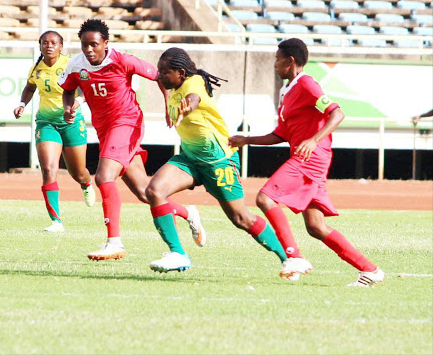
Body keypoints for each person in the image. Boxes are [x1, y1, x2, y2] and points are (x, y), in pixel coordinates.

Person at [229, 38, 384, 287]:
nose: (274, 64)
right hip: (305, 156)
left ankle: (294, 257)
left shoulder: (307, 84)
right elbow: (280, 134)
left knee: (265, 198)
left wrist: (313, 139)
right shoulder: (287, 90)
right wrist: (245, 140)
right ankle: (370, 270)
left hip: (311, 157)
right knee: (315, 226)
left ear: (290, 61)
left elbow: (337, 113)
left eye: (277, 59)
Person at [58, 20, 200, 261]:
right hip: (105, 129)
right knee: (145, 193)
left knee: (104, 177)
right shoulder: (76, 65)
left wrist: (168, 104)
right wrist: (68, 107)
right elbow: (68, 88)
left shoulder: (123, 60)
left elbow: (158, 76)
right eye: (84, 45)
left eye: (94, 44)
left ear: (106, 43)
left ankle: (114, 242)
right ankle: (189, 213)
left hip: (127, 122)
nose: (89, 50)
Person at [145, 47, 288, 273]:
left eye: (164, 72)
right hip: (190, 158)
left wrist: (187, 107)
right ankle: (178, 254)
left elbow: (193, 98)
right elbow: (167, 89)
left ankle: (289, 257)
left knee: (242, 219)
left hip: (218, 160)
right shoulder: (172, 84)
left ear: (181, 73)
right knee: (154, 191)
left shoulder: (193, 83)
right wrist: (167, 105)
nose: (159, 76)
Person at [14, 30, 95, 233]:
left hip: (71, 122)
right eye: (45, 43)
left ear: (61, 46)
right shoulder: (36, 68)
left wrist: (75, 105)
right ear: (40, 46)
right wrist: (22, 103)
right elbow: (30, 87)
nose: (49, 46)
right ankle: (56, 221)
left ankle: (86, 184)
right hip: (46, 123)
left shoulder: (72, 64)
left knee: (78, 172)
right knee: (49, 169)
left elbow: (85, 90)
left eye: (53, 43)